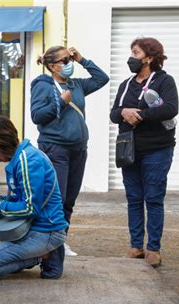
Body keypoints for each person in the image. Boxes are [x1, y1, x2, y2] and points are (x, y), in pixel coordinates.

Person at [30, 46, 109, 256]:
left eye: (70, 59)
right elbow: (37, 116)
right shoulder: (43, 85)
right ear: (52, 66)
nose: (69, 64)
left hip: (78, 148)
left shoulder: (77, 85)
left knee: (70, 199)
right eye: (64, 61)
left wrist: (82, 59)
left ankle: (60, 241)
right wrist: (61, 102)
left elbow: (102, 79)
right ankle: (49, 242)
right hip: (55, 148)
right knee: (57, 198)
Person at [0, 116, 68, 281]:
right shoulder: (19, 157)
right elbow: (20, 200)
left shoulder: (27, 160)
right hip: (29, 225)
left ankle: (44, 254)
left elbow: (30, 208)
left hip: (45, 231)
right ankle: (23, 252)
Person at [110, 37, 178, 268]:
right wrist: (123, 112)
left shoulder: (164, 81)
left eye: (136, 53)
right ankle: (136, 246)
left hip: (157, 149)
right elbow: (113, 113)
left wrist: (139, 114)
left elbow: (170, 108)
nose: (131, 58)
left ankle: (154, 248)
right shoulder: (126, 84)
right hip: (129, 150)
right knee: (133, 198)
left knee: (154, 198)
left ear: (149, 57)